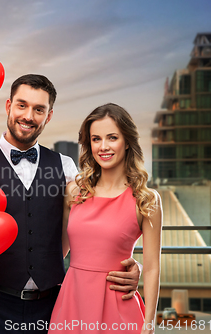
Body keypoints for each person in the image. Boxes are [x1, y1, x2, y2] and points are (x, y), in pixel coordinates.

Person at [0, 75, 141, 334]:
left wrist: (129, 263)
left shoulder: (66, 167)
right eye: (22, 105)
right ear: (8, 106)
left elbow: (101, 224)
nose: (28, 116)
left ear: (49, 116)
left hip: (54, 309)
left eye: (39, 109)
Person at [49, 103, 162, 333]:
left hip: (119, 311)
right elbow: (58, 252)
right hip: (72, 306)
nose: (103, 146)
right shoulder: (74, 192)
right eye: (96, 139)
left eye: (112, 137)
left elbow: (152, 268)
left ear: (127, 141)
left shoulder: (146, 200)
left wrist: (149, 326)